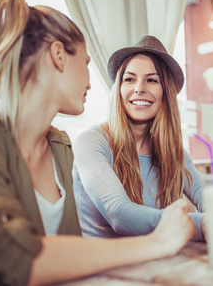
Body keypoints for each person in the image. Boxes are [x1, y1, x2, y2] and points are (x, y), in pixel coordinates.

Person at [0, 0, 196, 285]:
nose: (92, 81)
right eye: (87, 63)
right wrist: (160, 241)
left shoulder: (59, 146)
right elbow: (13, 259)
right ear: (59, 56)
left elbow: (67, 251)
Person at [73, 35, 205, 240]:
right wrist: (202, 224)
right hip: (101, 266)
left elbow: (207, 197)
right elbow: (118, 213)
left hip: (151, 259)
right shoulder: (91, 142)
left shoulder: (175, 153)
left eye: (151, 80)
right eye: (129, 79)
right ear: (119, 89)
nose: (139, 88)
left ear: (166, 94)